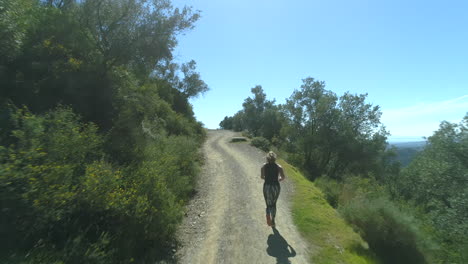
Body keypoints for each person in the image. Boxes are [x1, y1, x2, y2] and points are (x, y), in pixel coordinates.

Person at [261, 151, 285, 227]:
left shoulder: (264, 166)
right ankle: (273, 221)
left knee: (268, 204)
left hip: (267, 186)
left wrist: (267, 178)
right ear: (275, 158)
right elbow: (282, 177)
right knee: (274, 204)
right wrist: (279, 179)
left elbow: (262, 177)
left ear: (267, 159)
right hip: (275, 186)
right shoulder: (279, 167)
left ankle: (267, 214)